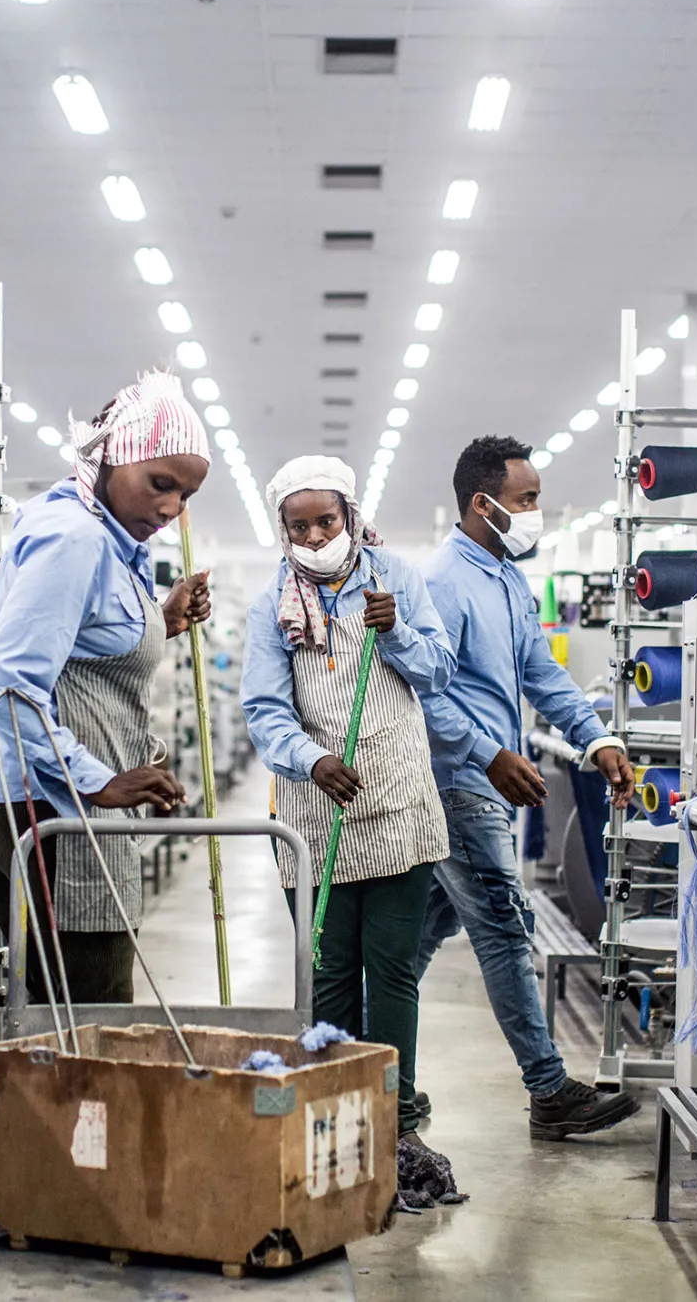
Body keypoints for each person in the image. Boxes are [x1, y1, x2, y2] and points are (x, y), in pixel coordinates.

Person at [0, 369, 211, 1253]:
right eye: (159, 481)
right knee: (90, 1012)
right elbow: (11, 684)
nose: (169, 505)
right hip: (36, 804)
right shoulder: (73, 536)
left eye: (186, 493)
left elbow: (83, 646)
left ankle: (16, 1186)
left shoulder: (108, 543)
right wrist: (93, 781)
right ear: (115, 460)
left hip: (46, 799)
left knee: (68, 1008)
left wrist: (161, 618)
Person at [414, 435, 642, 1140]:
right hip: (459, 782)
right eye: (527, 500)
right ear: (483, 504)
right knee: (505, 929)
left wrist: (596, 737)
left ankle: (350, 1052)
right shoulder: (443, 582)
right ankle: (548, 1088)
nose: (536, 512)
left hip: (481, 784)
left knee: (419, 937)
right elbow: (424, 693)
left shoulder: (508, 578)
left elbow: (540, 673)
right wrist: (487, 755)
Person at [240, 455, 459, 1170]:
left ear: (350, 515)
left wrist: (394, 631)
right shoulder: (270, 600)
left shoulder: (395, 577)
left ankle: (395, 1116)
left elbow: (439, 670)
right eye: (298, 525)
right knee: (329, 971)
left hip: (396, 803)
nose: (312, 535)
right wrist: (309, 759)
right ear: (283, 529)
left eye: (324, 520)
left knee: (390, 970)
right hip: (313, 809)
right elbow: (264, 707)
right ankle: (332, 1109)